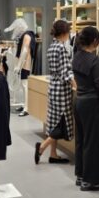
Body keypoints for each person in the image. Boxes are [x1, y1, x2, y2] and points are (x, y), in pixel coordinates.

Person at [35, 19, 73, 165]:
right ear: (64, 33)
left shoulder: (52, 47)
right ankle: (41, 147)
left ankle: (53, 154)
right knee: (61, 124)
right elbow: (66, 72)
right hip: (61, 91)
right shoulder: (61, 48)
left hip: (53, 88)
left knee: (54, 121)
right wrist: (76, 85)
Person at [73, 27, 99, 191]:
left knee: (81, 140)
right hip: (91, 103)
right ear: (94, 41)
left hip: (78, 100)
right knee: (92, 142)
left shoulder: (77, 56)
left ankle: (80, 175)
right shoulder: (94, 60)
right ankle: (91, 180)